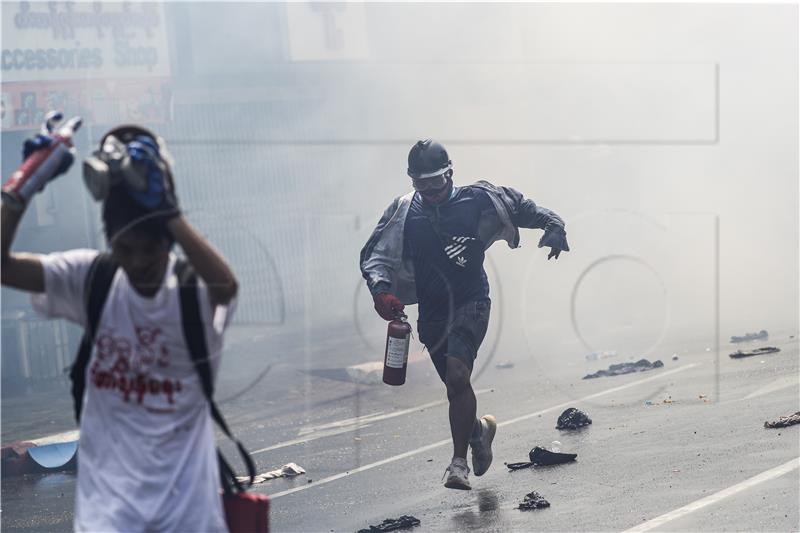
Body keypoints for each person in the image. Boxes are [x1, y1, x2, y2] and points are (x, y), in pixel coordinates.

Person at [1, 114, 238, 531]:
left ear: (169, 242)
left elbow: (227, 286)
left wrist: (168, 210)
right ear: (110, 240)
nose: (140, 262)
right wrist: (20, 188)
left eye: (153, 250)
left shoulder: (189, 293)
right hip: (106, 520)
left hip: (187, 520)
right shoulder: (92, 278)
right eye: (127, 249)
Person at [360, 139, 570, 490]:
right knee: (455, 388)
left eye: (435, 181)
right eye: (420, 183)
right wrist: (381, 292)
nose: (429, 189)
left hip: (473, 300)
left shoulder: (479, 198)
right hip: (432, 311)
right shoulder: (403, 211)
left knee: (458, 376)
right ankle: (479, 431)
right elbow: (376, 255)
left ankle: (458, 465)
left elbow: (524, 207)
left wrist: (553, 225)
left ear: (450, 174)